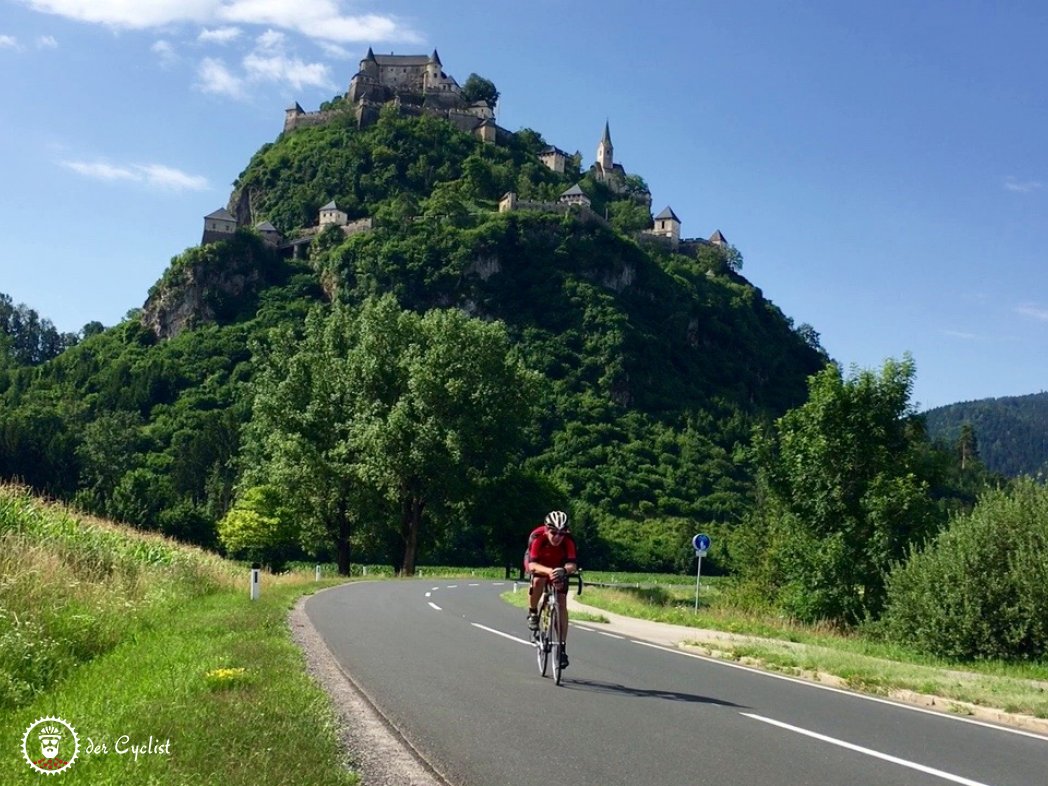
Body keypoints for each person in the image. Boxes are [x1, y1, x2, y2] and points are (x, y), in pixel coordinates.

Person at [524, 510, 578, 668]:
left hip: (558, 566)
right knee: (538, 581)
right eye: (554, 532)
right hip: (539, 564)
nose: (557, 537)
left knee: (561, 602)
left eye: (562, 533)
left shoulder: (568, 541)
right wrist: (549, 572)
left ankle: (561, 648)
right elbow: (532, 564)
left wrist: (563, 570)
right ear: (547, 529)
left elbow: (572, 565)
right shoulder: (537, 537)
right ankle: (533, 613)